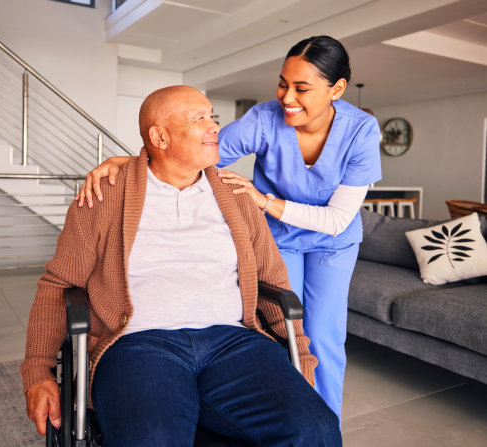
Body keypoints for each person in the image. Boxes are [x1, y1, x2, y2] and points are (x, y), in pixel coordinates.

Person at [76, 36, 382, 422]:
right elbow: (194, 149)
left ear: (336, 89)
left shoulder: (362, 130)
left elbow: (337, 219)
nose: (288, 97)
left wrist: (264, 201)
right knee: (288, 329)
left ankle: (323, 424)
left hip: (333, 242)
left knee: (325, 336)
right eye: (283, 83)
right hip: (279, 238)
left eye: (302, 88)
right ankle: (282, 410)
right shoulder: (264, 118)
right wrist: (128, 159)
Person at [21, 85, 341, 446]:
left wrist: (300, 353)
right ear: (159, 136)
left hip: (234, 342)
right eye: (199, 118)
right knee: (153, 438)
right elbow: (58, 284)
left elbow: (273, 279)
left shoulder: (237, 195)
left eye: (213, 117)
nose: (215, 127)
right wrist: (38, 369)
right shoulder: (105, 194)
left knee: (316, 429)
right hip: (138, 344)